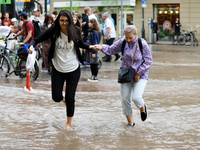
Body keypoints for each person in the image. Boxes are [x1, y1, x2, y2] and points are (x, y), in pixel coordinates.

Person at [27, 9, 95, 130]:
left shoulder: (76, 31)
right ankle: (64, 100)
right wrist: (31, 45)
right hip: (57, 68)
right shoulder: (54, 31)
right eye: (61, 20)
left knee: (70, 97)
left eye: (66, 21)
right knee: (56, 97)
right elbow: (37, 39)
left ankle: (68, 123)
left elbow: (81, 44)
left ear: (70, 21)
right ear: (58, 20)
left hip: (73, 68)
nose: (64, 23)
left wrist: (91, 46)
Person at [94, 25, 153, 128]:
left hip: (140, 75)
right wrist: (101, 47)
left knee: (136, 97)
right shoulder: (123, 42)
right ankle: (131, 123)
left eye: (131, 37)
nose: (128, 40)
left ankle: (142, 108)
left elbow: (148, 60)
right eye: (127, 37)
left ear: (136, 35)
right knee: (125, 99)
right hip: (125, 74)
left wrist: (138, 73)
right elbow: (111, 49)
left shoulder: (142, 43)